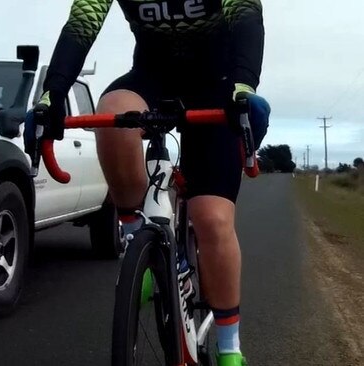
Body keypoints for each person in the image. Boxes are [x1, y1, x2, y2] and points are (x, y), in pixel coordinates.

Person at [35, 1, 271, 365]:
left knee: (212, 218)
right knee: (111, 108)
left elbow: (246, 14)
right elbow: (82, 24)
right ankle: (135, 238)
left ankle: (229, 349)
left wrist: (245, 84)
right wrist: (53, 93)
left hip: (217, 84)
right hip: (152, 78)